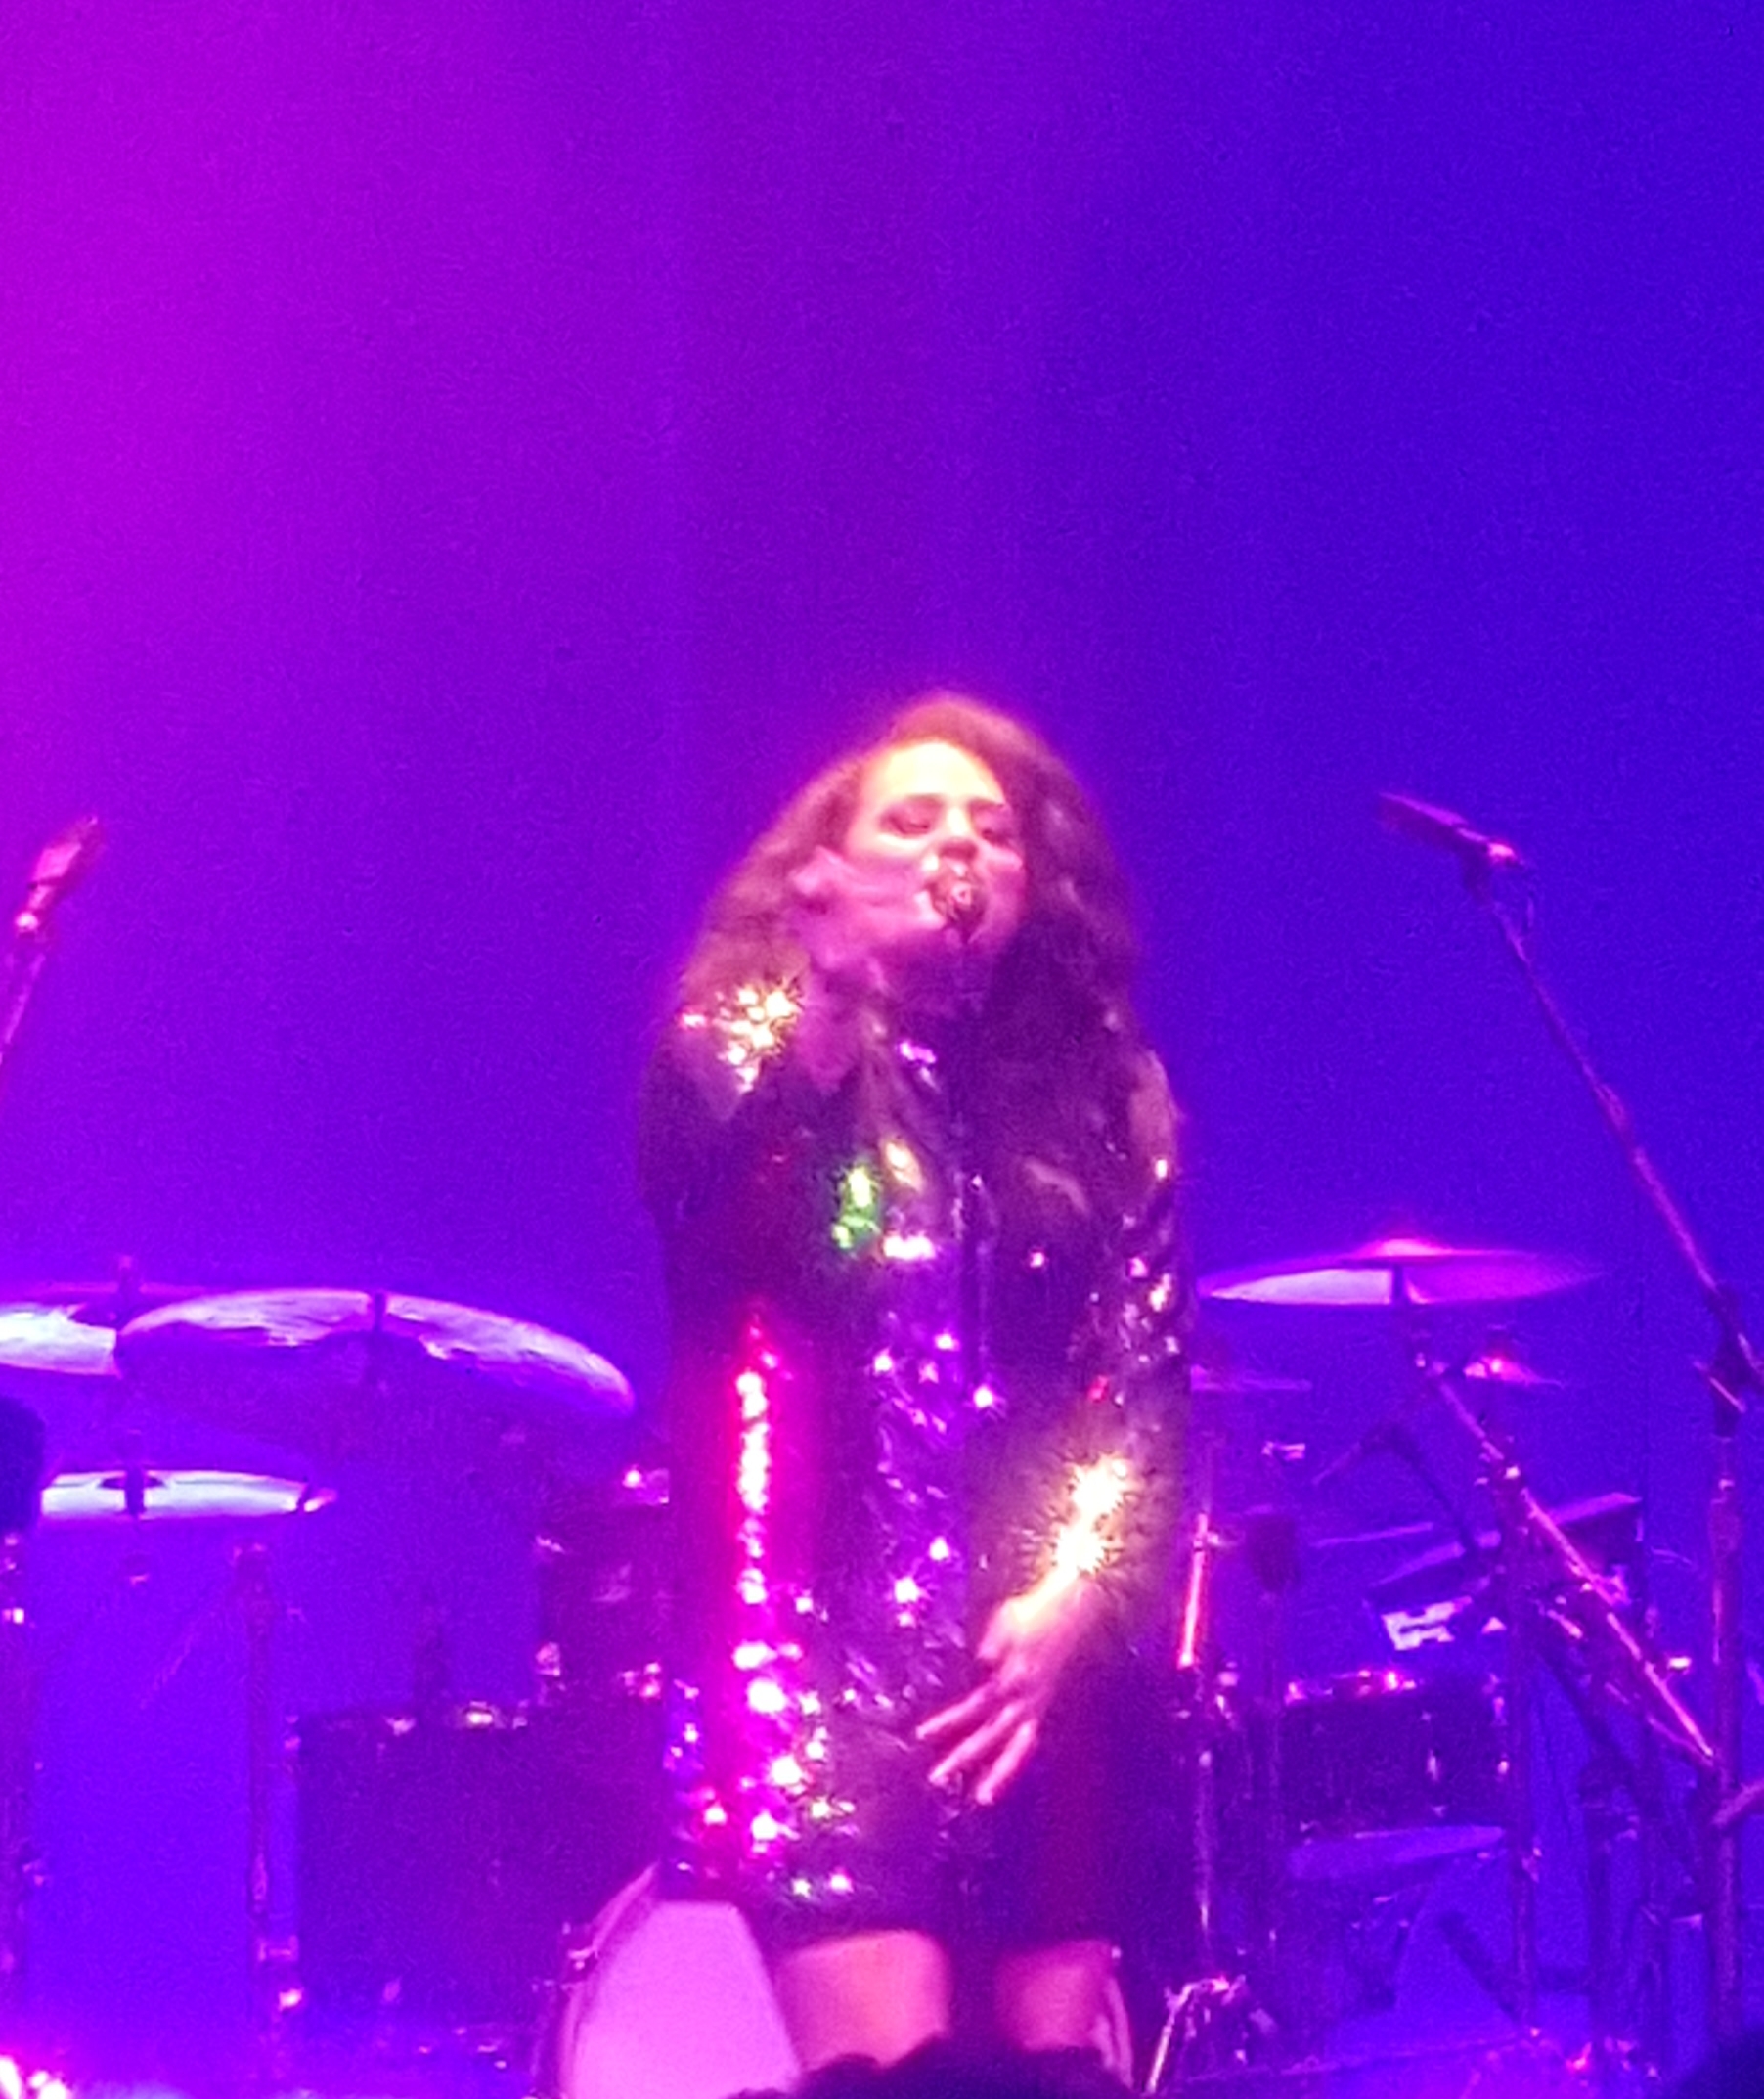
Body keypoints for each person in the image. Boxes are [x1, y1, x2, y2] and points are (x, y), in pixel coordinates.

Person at [639, 692, 1189, 2080]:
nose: (959, 846)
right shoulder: (745, 1038)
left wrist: (1076, 1597)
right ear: (832, 865)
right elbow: (734, 1251)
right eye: (914, 818)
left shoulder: (1102, 1093)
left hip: (1035, 1673)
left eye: (993, 830)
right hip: (824, 1665)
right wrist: (832, 1005)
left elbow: (1141, 1375)